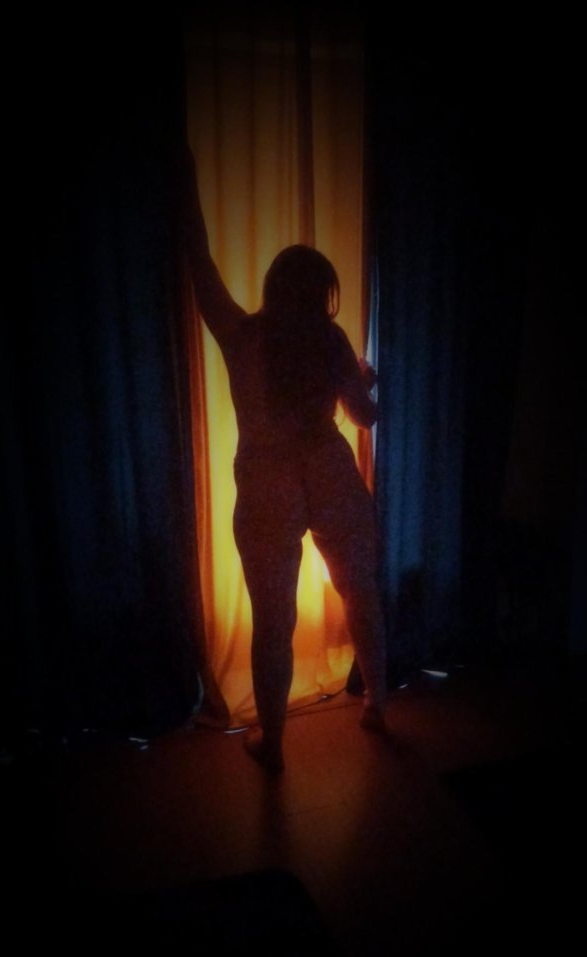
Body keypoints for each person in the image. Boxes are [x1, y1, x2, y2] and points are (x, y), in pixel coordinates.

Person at [182, 146, 388, 772]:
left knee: (273, 619)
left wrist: (185, 188)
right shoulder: (330, 339)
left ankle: (271, 741)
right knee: (360, 592)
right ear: (323, 293)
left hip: (267, 476)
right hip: (327, 466)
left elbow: (201, 266)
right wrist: (365, 381)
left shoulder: (242, 334)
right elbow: (364, 417)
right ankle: (377, 704)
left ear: (273, 286)